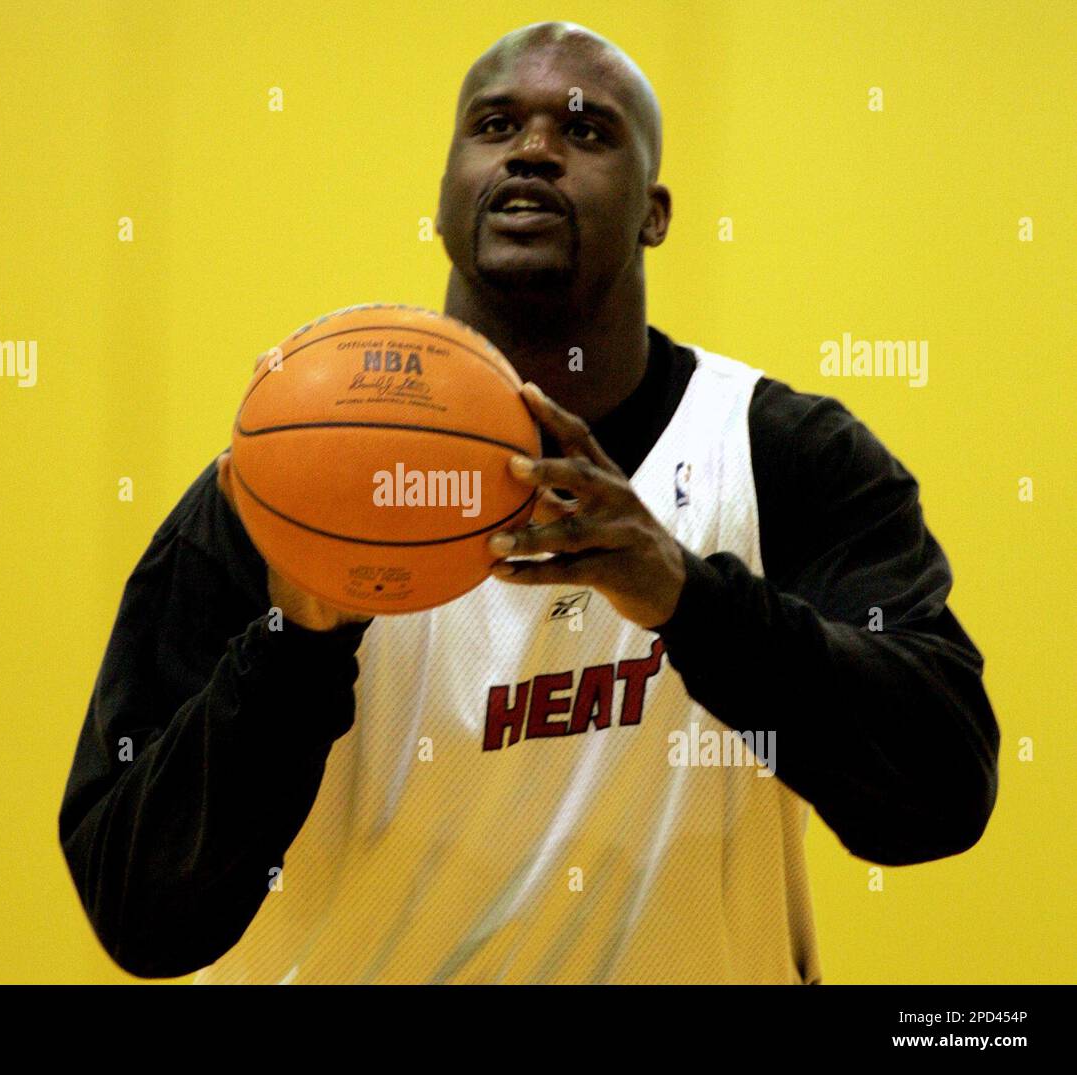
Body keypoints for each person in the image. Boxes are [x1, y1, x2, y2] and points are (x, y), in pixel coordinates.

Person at [57, 21, 999, 983]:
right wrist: (296, 645)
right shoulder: (289, 489)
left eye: (588, 132)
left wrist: (689, 598)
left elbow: (940, 796)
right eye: (497, 123)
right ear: (441, 200)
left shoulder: (780, 457)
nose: (536, 149)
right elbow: (141, 914)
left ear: (655, 210)